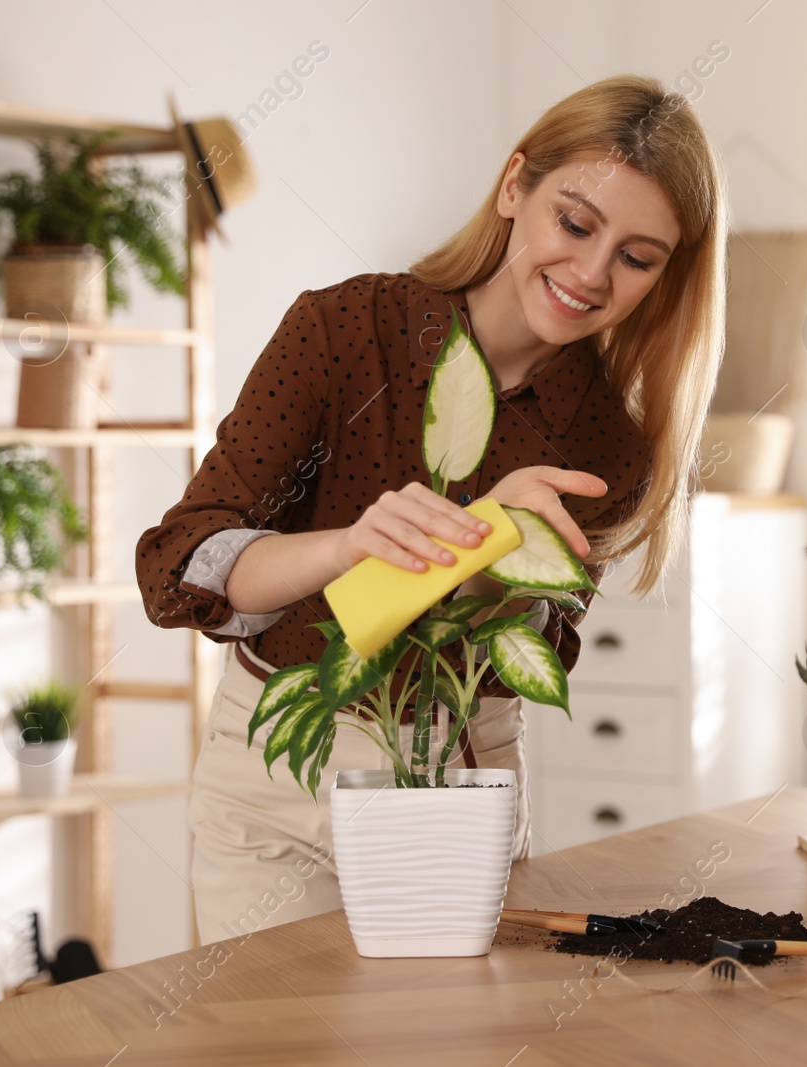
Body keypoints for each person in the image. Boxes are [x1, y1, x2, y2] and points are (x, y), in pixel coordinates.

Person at [135, 74, 727, 944]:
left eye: (637, 257)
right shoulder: (343, 331)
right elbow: (180, 564)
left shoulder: (610, 449)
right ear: (514, 185)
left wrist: (475, 541)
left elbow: (504, 659)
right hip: (278, 793)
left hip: (458, 781)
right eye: (574, 222)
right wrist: (350, 544)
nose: (592, 274)